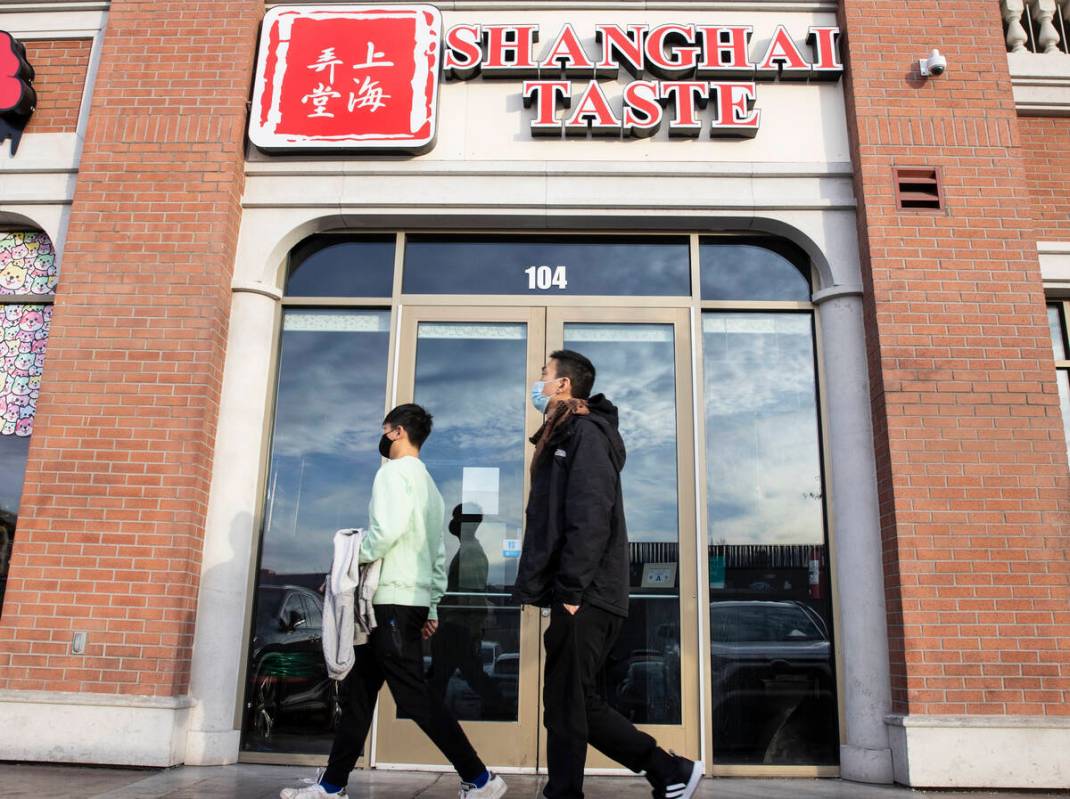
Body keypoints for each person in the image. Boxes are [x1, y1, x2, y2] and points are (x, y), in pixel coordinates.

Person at [281, 404, 507, 799]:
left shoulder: (391, 475)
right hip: (406, 603)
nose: (382, 437)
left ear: (396, 431)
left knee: (414, 696)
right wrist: (431, 606)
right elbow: (436, 555)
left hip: (389, 603)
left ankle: (480, 777)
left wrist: (346, 562)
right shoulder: (431, 488)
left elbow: (384, 533)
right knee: (360, 695)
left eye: (384, 430)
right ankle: (332, 786)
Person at [513, 351, 703, 799]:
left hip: (587, 593)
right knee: (573, 702)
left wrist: (572, 589)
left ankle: (580, 789)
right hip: (581, 591)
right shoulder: (566, 433)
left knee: (566, 703)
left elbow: (590, 515)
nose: (537, 382)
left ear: (563, 385)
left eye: (543, 375)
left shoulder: (586, 433)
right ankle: (668, 770)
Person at [430, 504, 507, 719]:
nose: (452, 523)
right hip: (458, 626)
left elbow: (469, 599)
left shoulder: (471, 553)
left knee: (453, 677)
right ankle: (498, 706)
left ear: (467, 524)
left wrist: (464, 628)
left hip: (458, 627)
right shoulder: (468, 550)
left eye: (457, 519)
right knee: (454, 675)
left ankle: (499, 707)